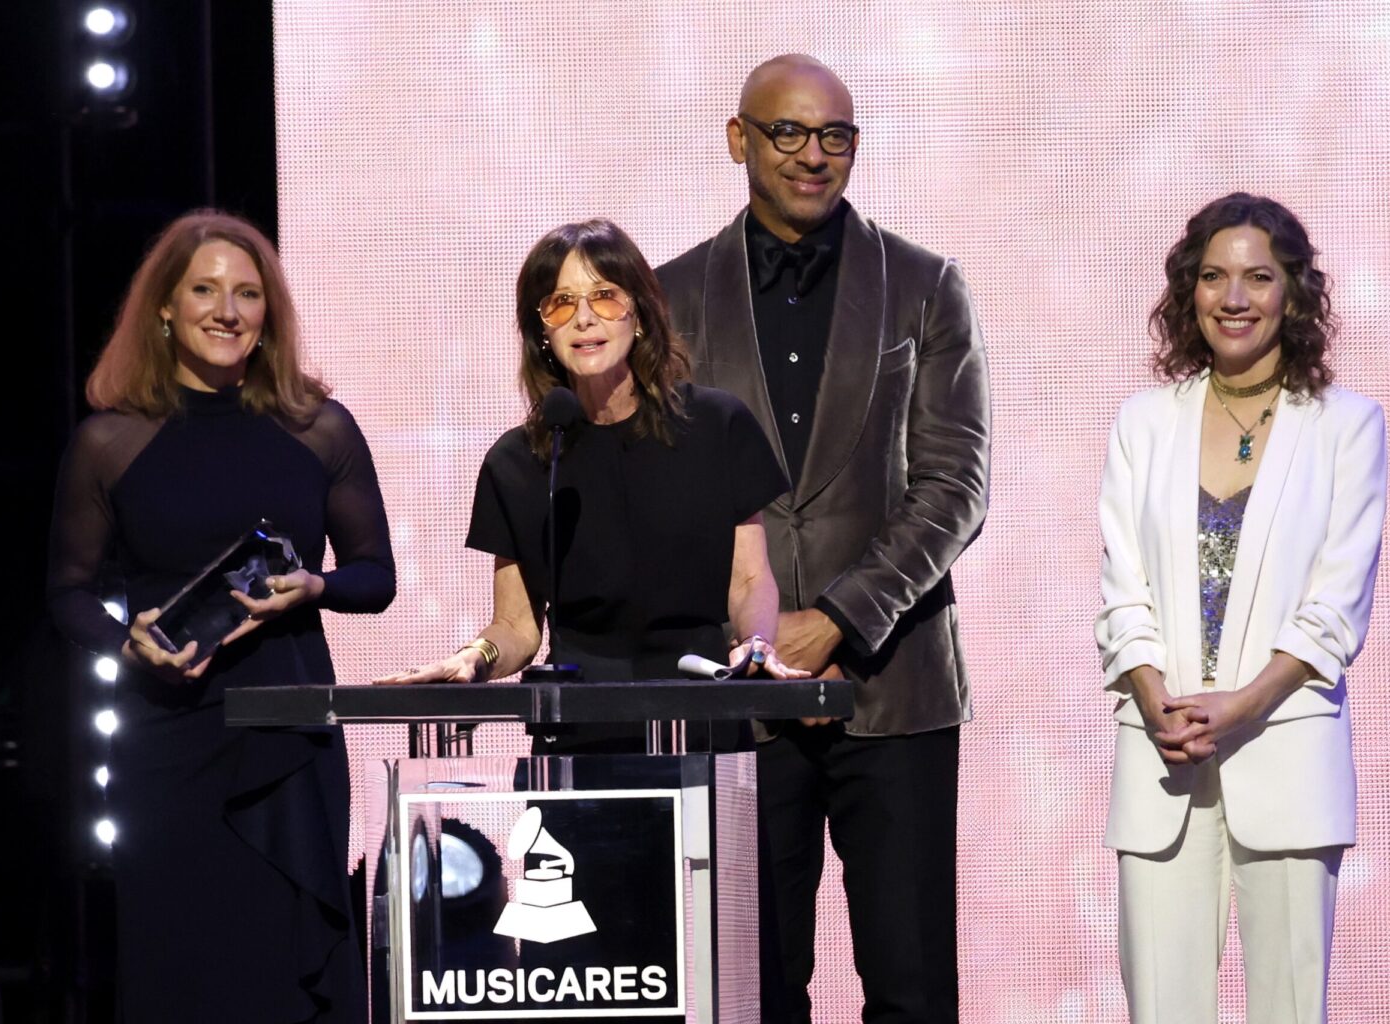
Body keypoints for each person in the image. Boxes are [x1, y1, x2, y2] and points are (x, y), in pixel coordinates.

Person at [655, 55, 990, 1024]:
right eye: (789, 133)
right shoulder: (672, 296)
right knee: (750, 989)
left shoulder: (925, 285)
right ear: (739, 140)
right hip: (738, 693)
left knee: (914, 987)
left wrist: (837, 616)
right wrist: (758, 634)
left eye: (834, 134)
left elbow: (955, 483)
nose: (813, 154)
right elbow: (668, 493)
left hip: (896, 684)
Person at [47, 210, 395, 1022]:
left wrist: (316, 587)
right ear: (164, 307)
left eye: (247, 293)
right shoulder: (111, 441)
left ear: (269, 311)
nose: (227, 310)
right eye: (204, 289)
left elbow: (374, 576)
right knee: (182, 970)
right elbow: (66, 591)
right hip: (169, 740)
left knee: (287, 966)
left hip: (290, 737)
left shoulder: (318, 429)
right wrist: (126, 644)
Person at [1096, 193, 1386, 1024]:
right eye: (1215, 277)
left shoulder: (1346, 426)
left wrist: (1244, 706)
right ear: (1189, 291)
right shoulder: (1144, 424)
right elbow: (1123, 591)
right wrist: (1159, 701)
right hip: (1163, 762)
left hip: (1289, 756)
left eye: (1259, 277)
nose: (1235, 298)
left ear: (1292, 293)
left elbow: (1337, 603)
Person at [375, 218, 805, 749]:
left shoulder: (718, 427)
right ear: (542, 332)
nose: (583, 319)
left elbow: (747, 582)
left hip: (702, 719)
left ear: (640, 314)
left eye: (604, 297)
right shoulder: (520, 461)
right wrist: (474, 658)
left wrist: (756, 643)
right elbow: (517, 626)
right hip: (579, 731)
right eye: (560, 304)